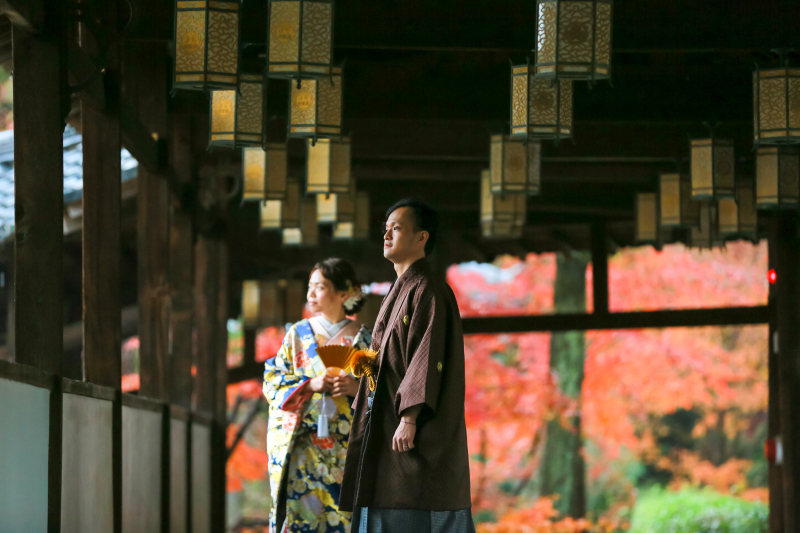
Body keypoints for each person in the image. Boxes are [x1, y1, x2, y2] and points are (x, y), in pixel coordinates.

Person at [340, 198, 476, 532]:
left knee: (408, 500)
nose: (386, 235)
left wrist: (410, 417)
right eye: (385, 228)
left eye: (397, 228)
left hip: (408, 427)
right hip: (384, 422)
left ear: (421, 238)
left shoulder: (427, 289)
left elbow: (427, 356)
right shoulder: (396, 292)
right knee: (385, 497)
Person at [263, 258, 372, 533]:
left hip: (347, 449)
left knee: (345, 519)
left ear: (343, 294)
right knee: (302, 518)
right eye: (309, 286)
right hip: (303, 447)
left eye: (320, 287)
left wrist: (357, 388)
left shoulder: (366, 340)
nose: (310, 293)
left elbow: (388, 388)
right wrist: (310, 384)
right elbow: (273, 378)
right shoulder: (297, 334)